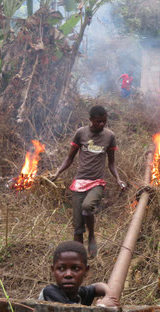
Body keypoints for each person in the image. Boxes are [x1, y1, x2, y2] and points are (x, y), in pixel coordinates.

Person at [53, 105, 126, 257]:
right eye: (98, 121)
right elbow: (70, 157)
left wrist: (118, 180)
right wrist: (58, 172)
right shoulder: (81, 133)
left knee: (87, 207)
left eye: (104, 121)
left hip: (97, 182)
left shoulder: (109, 136)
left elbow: (111, 163)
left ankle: (92, 235)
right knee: (78, 227)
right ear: (91, 119)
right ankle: (79, 258)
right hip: (79, 182)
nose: (102, 124)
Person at [39, 241, 119, 306]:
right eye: (61, 268)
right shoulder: (50, 293)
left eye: (76, 268)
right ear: (53, 270)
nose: (68, 274)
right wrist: (101, 307)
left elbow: (96, 287)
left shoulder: (79, 294)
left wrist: (109, 293)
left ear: (86, 271)